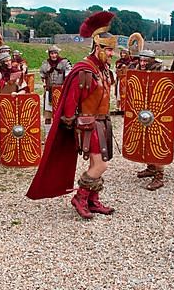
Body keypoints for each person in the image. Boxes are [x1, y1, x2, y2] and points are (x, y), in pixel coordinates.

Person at [27, 11, 116, 219]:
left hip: (102, 122)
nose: (112, 54)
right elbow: (70, 101)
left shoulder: (102, 69)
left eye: (112, 50)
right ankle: (80, 197)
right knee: (102, 164)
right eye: (108, 50)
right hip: (88, 124)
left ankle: (92, 200)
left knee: (98, 163)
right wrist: (71, 122)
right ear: (97, 47)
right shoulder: (84, 70)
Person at [132, 49, 168, 191]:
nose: (142, 63)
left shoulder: (162, 70)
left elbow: (170, 88)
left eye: (145, 61)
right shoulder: (138, 70)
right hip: (144, 113)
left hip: (158, 113)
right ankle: (151, 167)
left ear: (152, 61)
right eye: (140, 60)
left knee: (156, 143)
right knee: (145, 141)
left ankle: (159, 176)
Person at [0, 52, 27, 140]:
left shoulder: (17, 73)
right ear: (1, 63)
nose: (9, 63)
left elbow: (24, 89)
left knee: (11, 127)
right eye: (6, 61)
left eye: (9, 60)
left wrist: (17, 94)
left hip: (12, 105)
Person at [39, 45, 72, 140]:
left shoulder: (64, 62)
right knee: (48, 115)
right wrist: (45, 83)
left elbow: (68, 76)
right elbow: (42, 75)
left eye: (55, 53)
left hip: (61, 92)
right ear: (49, 54)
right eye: (52, 53)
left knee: (62, 114)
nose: (53, 55)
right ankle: (48, 135)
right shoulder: (46, 63)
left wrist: (64, 85)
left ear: (58, 54)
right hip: (49, 91)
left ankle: (62, 135)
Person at [114, 46, 132, 113]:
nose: (123, 55)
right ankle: (117, 107)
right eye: (122, 53)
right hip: (119, 79)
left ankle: (125, 108)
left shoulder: (131, 62)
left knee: (127, 94)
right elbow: (116, 70)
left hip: (127, 80)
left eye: (125, 53)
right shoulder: (118, 62)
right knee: (118, 94)